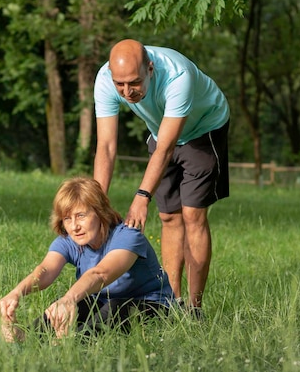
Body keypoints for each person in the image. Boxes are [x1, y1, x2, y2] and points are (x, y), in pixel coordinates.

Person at [93, 39, 230, 316]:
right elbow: (106, 147)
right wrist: (97, 204)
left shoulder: (178, 76)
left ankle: (194, 308)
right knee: (168, 217)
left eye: (134, 83)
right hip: (161, 131)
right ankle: (171, 302)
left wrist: (142, 196)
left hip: (204, 129)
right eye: (120, 85)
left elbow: (167, 148)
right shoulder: (105, 79)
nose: (127, 92)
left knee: (192, 215)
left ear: (150, 69)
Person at [0, 177, 174, 342]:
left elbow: (101, 274)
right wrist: (16, 293)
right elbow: (45, 270)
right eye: (67, 218)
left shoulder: (128, 236)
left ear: (100, 212)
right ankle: (25, 339)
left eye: (81, 215)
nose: (74, 226)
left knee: (110, 308)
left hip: (153, 305)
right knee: (74, 306)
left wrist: (68, 299)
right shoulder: (70, 241)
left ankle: (69, 344)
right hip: (101, 302)